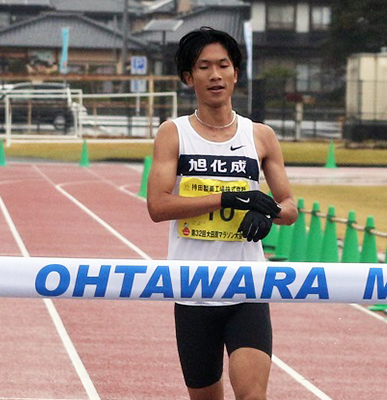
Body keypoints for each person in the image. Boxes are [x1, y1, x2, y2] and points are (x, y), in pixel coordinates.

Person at [147, 27, 297, 400]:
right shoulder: (174, 133)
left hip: (247, 286)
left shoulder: (260, 136)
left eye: (223, 65)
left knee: (252, 395)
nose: (214, 75)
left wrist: (271, 214)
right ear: (188, 77)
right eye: (203, 67)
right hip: (192, 288)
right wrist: (226, 198)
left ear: (235, 72)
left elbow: (291, 206)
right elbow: (158, 205)